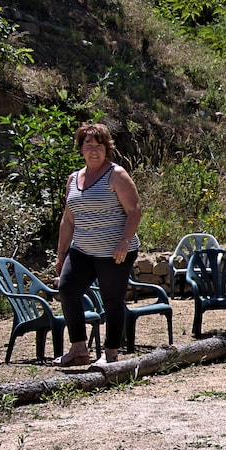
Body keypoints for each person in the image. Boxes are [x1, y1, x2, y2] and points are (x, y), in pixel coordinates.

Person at [52, 122, 141, 367]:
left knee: (112, 299)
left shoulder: (116, 174)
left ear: (107, 148)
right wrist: (61, 254)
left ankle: (110, 353)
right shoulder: (73, 178)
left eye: (99, 145)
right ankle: (79, 349)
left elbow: (134, 210)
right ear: (81, 148)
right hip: (82, 249)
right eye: (89, 145)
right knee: (67, 290)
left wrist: (124, 242)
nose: (94, 150)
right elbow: (68, 219)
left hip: (114, 250)